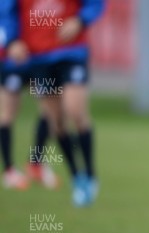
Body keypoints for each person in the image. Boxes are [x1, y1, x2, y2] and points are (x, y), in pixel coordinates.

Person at [2, 0, 105, 206]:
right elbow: (7, 11)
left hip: (71, 52)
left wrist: (80, 20)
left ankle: (91, 173)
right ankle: (77, 177)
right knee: (56, 122)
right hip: (39, 57)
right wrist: (12, 40)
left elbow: (95, 3)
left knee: (75, 110)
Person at [0, 20, 57, 190]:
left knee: (50, 111)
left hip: (39, 60)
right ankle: (9, 170)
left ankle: (36, 162)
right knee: (6, 113)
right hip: (11, 61)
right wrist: (10, 43)